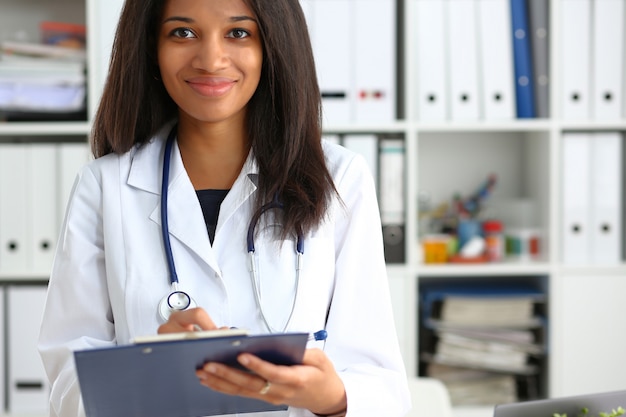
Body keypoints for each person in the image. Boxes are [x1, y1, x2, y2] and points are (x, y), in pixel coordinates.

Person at [38, 0, 411, 416]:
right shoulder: (105, 187)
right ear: (150, 49)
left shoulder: (341, 179)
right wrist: (148, 365)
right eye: (182, 32)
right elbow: (67, 384)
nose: (211, 59)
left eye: (238, 33)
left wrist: (330, 397)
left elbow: (382, 385)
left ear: (274, 45)